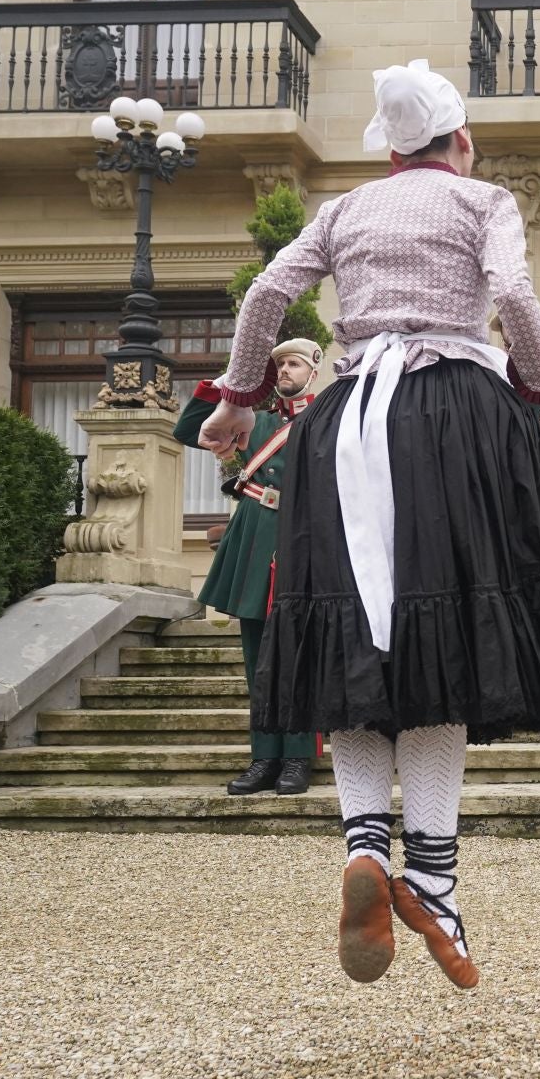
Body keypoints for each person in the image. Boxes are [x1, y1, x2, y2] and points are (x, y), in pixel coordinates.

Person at [196, 60, 540, 989]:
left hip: (344, 425)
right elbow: (516, 297)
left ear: (389, 149)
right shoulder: (483, 200)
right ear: (460, 143)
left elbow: (264, 295)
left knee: (355, 632)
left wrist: (237, 396)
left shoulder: (344, 210)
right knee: (444, 632)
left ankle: (364, 849)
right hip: (454, 413)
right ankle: (436, 876)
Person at [174, 337, 325, 796]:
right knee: (257, 658)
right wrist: (229, 384)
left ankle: (298, 758)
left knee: (299, 656)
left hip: (304, 540)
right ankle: (265, 757)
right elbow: (188, 430)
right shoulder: (251, 421)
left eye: (294, 364)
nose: (284, 371)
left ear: (314, 371)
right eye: (279, 364)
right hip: (255, 538)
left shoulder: (326, 420)